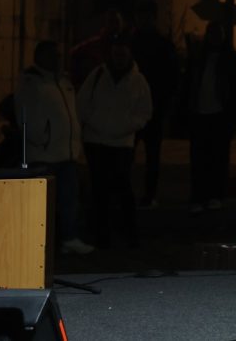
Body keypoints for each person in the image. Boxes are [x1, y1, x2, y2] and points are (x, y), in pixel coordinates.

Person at [13, 41, 93, 255]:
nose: (58, 59)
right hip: (44, 154)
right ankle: (37, 242)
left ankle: (68, 237)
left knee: (69, 200)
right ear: (41, 56)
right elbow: (26, 116)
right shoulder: (31, 82)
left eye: (59, 55)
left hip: (66, 152)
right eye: (54, 55)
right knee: (41, 203)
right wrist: (42, 138)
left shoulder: (63, 81)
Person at [78, 35, 152, 248]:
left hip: (122, 143)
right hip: (96, 141)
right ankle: (102, 234)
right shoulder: (98, 75)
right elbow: (82, 103)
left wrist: (126, 126)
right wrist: (93, 123)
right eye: (116, 53)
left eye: (123, 54)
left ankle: (129, 233)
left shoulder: (138, 80)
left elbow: (145, 111)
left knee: (123, 188)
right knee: (99, 189)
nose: (119, 58)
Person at [182, 21, 236, 213]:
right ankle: (198, 196)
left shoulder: (231, 59)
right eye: (212, 34)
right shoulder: (198, 58)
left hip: (220, 115)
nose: (215, 38)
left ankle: (215, 195)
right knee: (198, 158)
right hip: (200, 114)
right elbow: (188, 84)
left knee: (218, 158)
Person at [131, 0, 180, 208]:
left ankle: (149, 193)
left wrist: (166, 104)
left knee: (151, 156)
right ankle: (136, 193)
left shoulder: (159, 44)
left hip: (153, 107)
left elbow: (172, 77)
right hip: (136, 108)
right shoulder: (133, 42)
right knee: (133, 154)